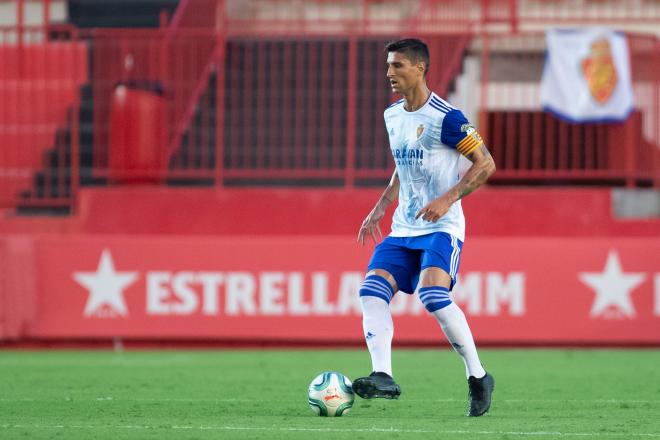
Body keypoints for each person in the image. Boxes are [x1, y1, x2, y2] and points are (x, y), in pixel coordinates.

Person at [352, 38, 496, 417]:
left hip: (442, 227)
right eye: (388, 66)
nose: (389, 73)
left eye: (397, 66)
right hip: (403, 228)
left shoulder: (447, 118)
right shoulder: (392, 116)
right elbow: (404, 168)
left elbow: (486, 164)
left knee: (433, 297)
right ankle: (382, 375)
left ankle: (478, 376)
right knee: (370, 292)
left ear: (419, 68)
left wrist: (448, 198)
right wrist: (382, 204)